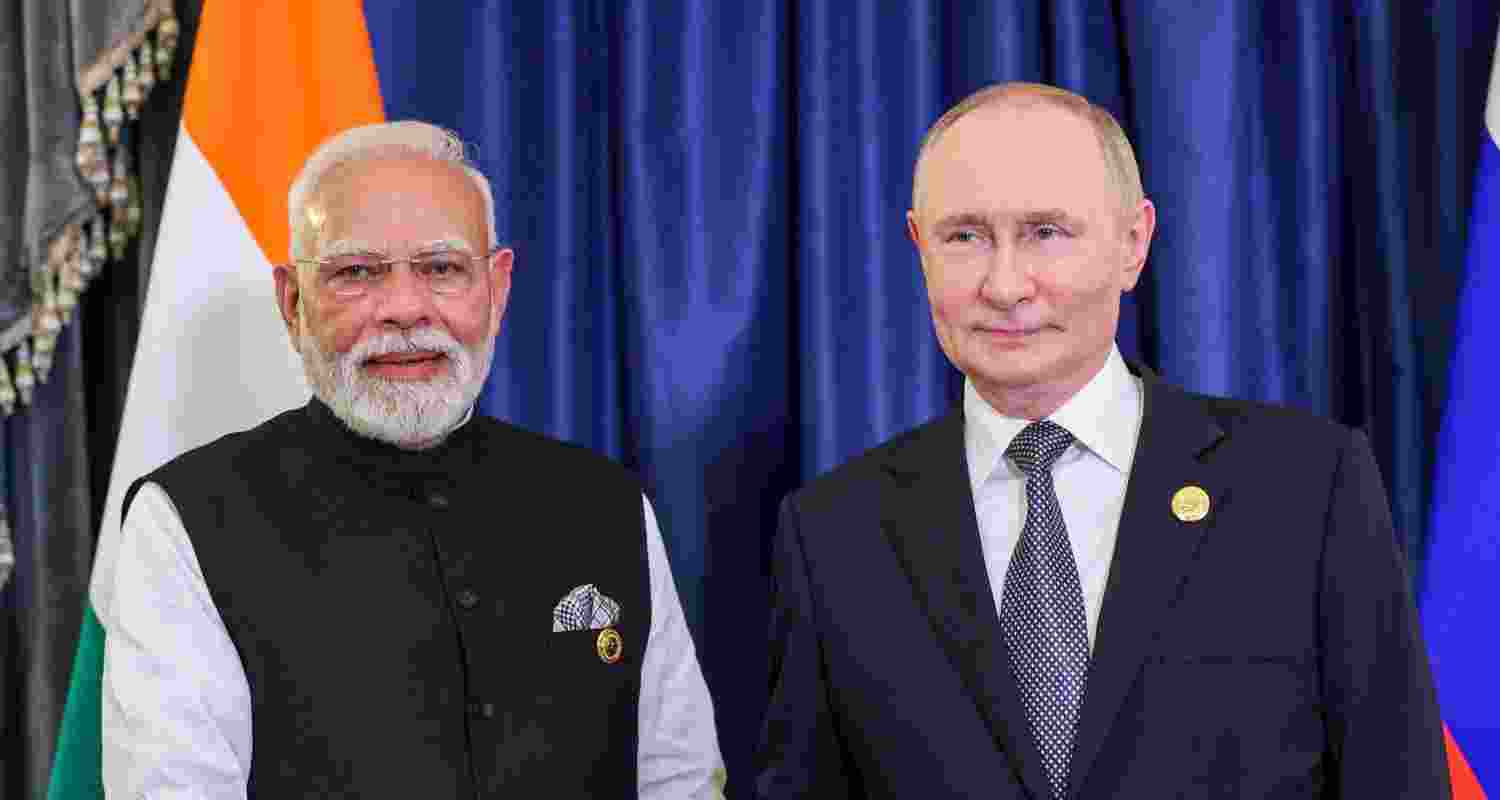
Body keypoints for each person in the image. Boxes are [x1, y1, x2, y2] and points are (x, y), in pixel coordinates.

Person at [754, 82, 1448, 799]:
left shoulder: (1307, 487)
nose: (1005, 284)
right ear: (918, 247)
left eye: (1046, 232)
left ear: (1133, 244)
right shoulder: (833, 536)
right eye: (965, 236)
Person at [101, 121, 726, 798]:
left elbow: (678, 780)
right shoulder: (188, 520)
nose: (402, 308)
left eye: (441, 268)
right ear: (293, 304)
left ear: (497, 289)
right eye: (356, 272)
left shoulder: (602, 503)